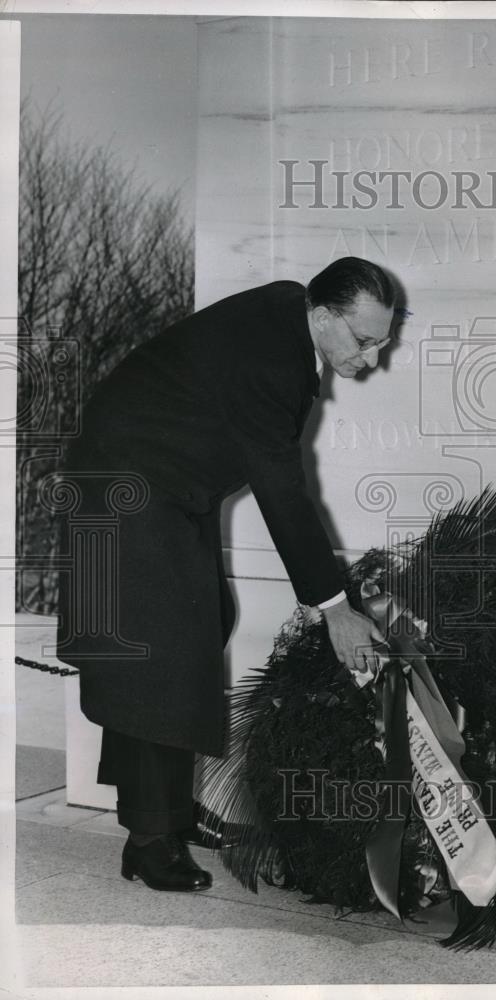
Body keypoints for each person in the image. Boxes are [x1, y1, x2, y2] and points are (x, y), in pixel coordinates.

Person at [55, 256, 397, 892]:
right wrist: (335, 609)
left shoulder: (287, 318)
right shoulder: (275, 355)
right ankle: (151, 842)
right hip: (127, 490)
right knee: (166, 654)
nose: (372, 358)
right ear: (323, 317)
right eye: (364, 340)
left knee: (204, 620)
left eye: (381, 341)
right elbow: (283, 491)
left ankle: (167, 812)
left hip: (152, 484)